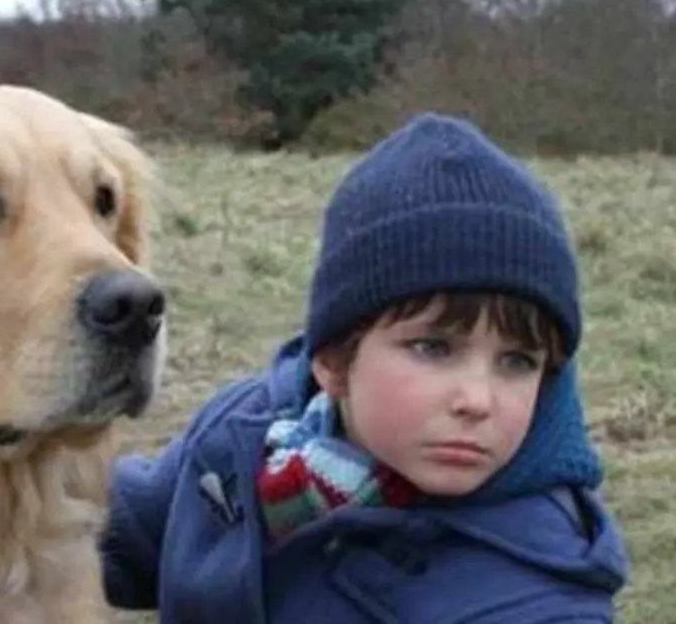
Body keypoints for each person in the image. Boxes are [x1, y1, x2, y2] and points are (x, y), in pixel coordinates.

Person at [98, 112, 630, 623]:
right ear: (333, 360)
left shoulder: (535, 601)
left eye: (517, 361)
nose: (477, 399)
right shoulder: (244, 434)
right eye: (434, 348)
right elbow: (113, 531)